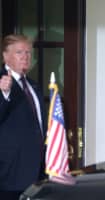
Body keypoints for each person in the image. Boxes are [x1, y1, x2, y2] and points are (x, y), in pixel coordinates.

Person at [0, 34, 47, 200]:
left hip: (39, 173)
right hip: (10, 176)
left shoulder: (34, 86)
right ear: (5, 56)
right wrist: (4, 94)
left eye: (28, 52)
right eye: (19, 52)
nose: (25, 57)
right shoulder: (1, 83)